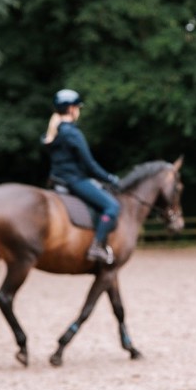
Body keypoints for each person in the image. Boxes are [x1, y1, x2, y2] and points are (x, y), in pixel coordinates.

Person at [42, 89, 121, 264]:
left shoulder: (52, 133)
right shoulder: (72, 133)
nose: (78, 111)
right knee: (112, 206)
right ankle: (97, 246)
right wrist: (110, 178)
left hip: (56, 178)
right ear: (71, 109)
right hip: (74, 180)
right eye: (77, 107)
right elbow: (89, 165)